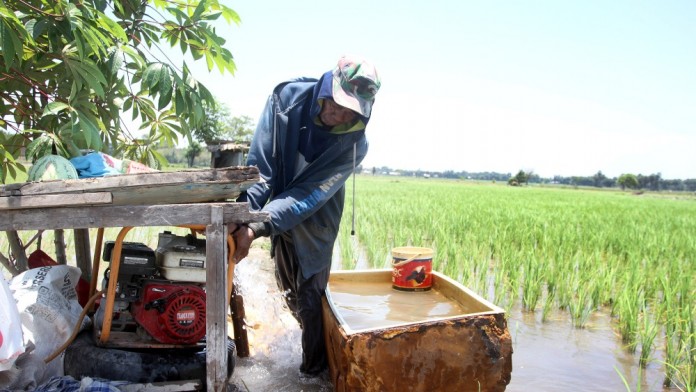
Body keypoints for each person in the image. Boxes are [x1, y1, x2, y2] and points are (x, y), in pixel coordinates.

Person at [229, 55, 381, 376]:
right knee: (289, 293)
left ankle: (314, 375)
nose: (338, 115)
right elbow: (261, 168)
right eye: (336, 104)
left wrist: (256, 225)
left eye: (350, 112)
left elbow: (308, 195)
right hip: (274, 212)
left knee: (311, 300)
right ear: (328, 86)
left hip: (316, 220)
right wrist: (243, 215)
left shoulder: (355, 143)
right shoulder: (286, 99)